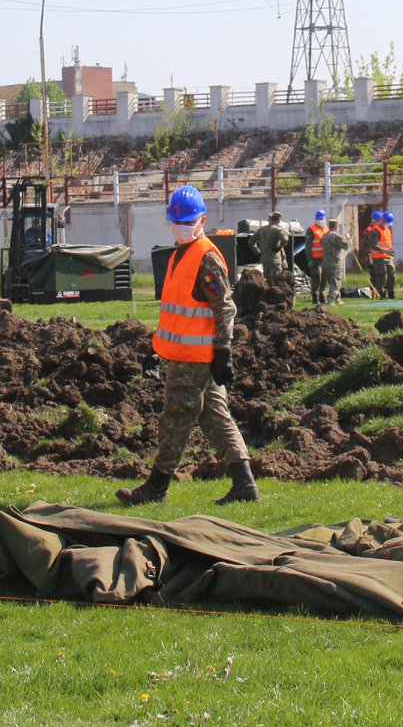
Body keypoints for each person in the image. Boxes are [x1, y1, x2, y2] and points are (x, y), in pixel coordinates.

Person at [119, 186, 256, 506]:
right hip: (187, 354)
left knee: (176, 417)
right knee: (214, 417)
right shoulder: (181, 253)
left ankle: (156, 487)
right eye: (176, 221)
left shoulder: (206, 257)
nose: (180, 226)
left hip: (195, 358)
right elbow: (181, 311)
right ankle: (244, 485)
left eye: (187, 221)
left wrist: (224, 350)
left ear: (202, 220)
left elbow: (225, 307)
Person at [365, 210, 396, 299]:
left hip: (388, 257)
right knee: (382, 277)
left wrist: (389, 252)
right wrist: (383, 250)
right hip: (379, 258)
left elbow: (388, 243)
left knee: (392, 275)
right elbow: (372, 245)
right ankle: (381, 294)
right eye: (387, 222)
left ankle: (391, 292)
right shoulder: (375, 231)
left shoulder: (387, 230)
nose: (388, 224)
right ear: (382, 220)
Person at [320, 220, 352, 305]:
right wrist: (348, 239)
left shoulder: (324, 236)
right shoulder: (336, 236)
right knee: (336, 281)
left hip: (326, 262)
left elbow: (321, 244)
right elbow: (346, 245)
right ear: (336, 226)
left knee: (332, 280)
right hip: (335, 262)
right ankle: (330, 299)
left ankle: (338, 298)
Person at [257, 210, 287, 278]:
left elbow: (251, 242)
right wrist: (279, 248)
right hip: (275, 259)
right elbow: (285, 239)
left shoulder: (262, 230)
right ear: (278, 220)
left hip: (265, 260)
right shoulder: (278, 229)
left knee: (267, 280)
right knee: (277, 280)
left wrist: (258, 251)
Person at [304, 209, 329, 285]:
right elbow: (308, 246)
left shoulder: (327, 229)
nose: (320, 220)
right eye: (319, 219)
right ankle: (315, 295)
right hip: (315, 259)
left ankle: (322, 295)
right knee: (316, 279)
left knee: (324, 279)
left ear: (325, 219)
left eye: (322, 219)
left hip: (325, 258)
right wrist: (309, 259)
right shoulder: (311, 229)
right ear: (315, 219)